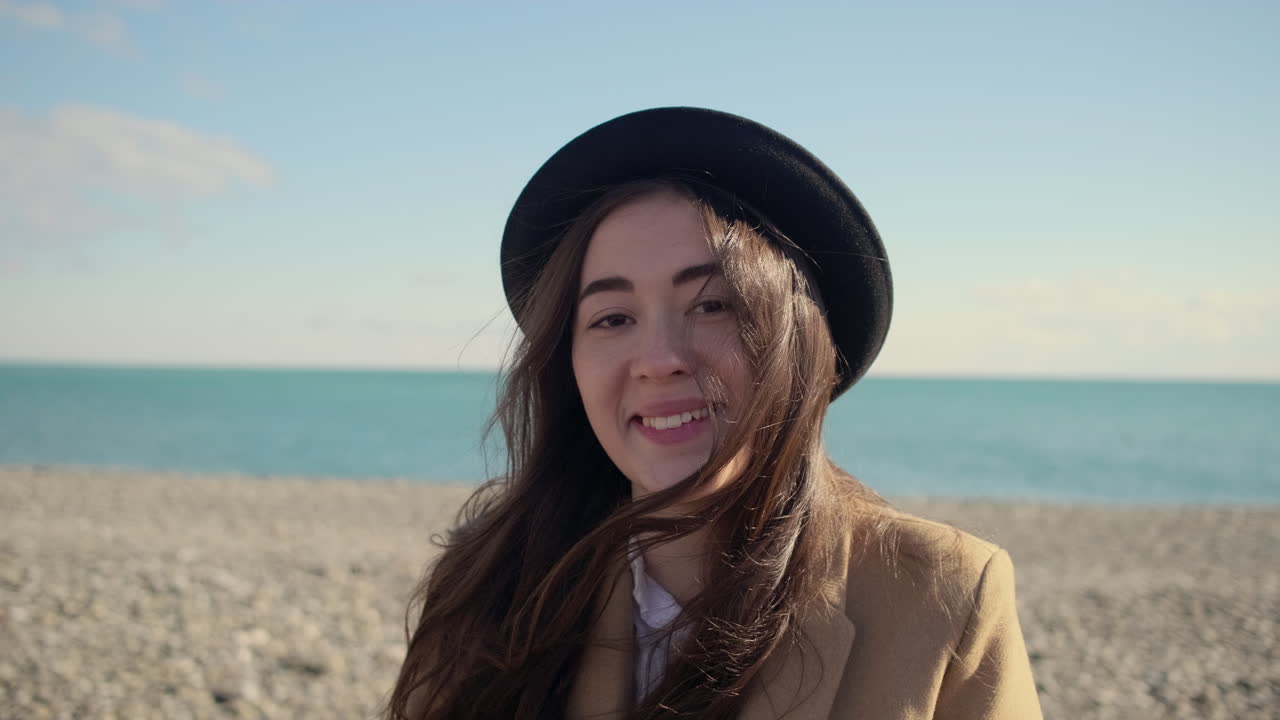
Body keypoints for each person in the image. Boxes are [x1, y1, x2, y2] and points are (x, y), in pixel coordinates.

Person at [384, 107, 1043, 719]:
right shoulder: (488, 585)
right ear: (568, 366)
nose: (660, 357)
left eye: (714, 305)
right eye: (612, 318)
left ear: (796, 340)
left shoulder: (942, 595)